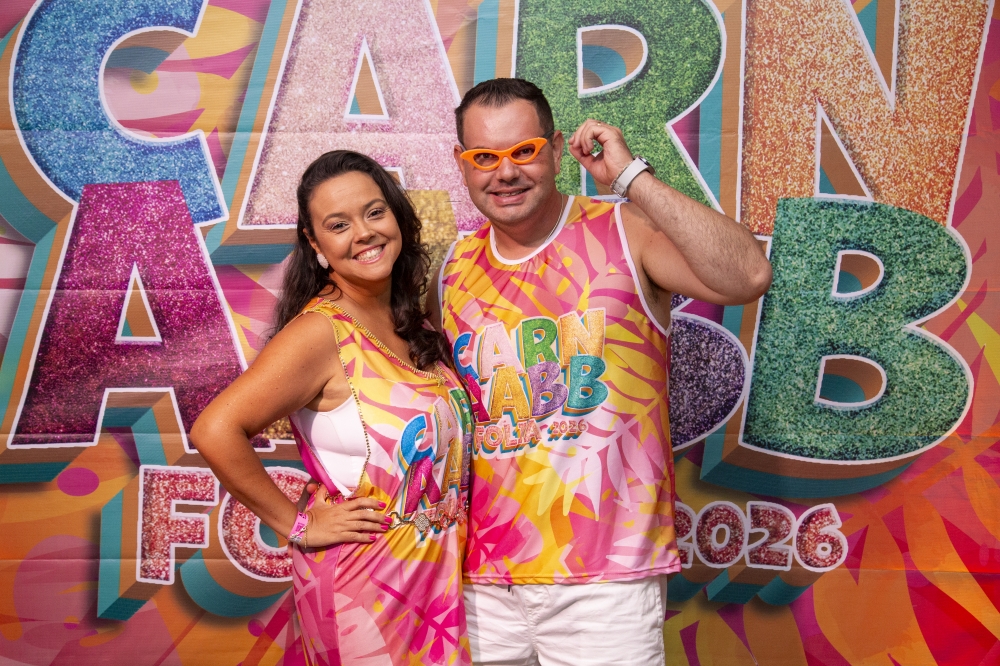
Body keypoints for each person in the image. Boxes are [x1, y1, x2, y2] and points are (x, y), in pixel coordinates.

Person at [426, 78, 773, 665]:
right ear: (462, 163)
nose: (505, 172)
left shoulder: (623, 230)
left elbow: (749, 276)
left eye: (523, 151)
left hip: (607, 583)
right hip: (480, 581)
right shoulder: (451, 268)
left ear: (556, 148)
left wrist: (631, 178)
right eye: (484, 157)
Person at [191, 150, 473, 665]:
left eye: (374, 212)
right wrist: (299, 523)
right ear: (316, 245)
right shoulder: (320, 332)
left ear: (397, 218)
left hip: (435, 583)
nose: (363, 233)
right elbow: (215, 429)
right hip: (364, 593)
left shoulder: (412, 321)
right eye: (338, 225)